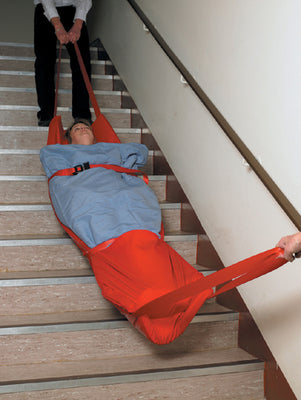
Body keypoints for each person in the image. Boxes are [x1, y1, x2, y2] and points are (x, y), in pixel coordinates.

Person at [34, 0, 92, 127]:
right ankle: (46, 114)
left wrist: (78, 24)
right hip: (45, 10)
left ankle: (82, 114)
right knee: (44, 62)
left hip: (74, 10)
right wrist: (58, 26)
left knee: (82, 62)